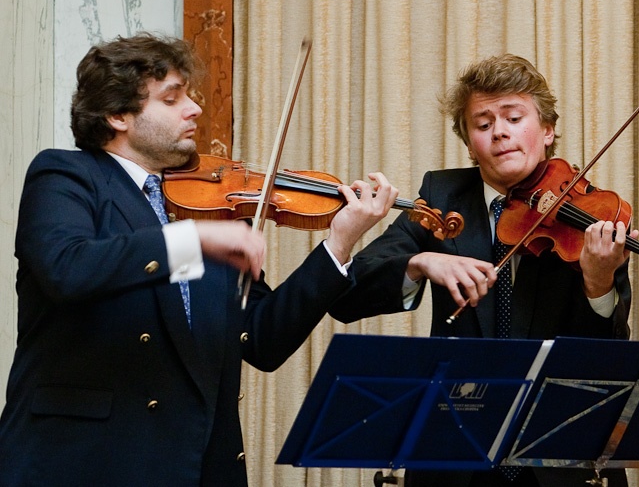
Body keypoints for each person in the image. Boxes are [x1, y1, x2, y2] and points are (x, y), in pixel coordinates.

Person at [0, 33, 397, 486]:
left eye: (190, 96)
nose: (194, 110)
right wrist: (190, 240)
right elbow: (67, 268)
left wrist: (339, 243)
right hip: (86, 464)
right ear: (117, 115)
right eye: (172, 99)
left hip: (197, 466)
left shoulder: (209, 206)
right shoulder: (67, 176)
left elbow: (262, 340)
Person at [329, 54, 636, 487]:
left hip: (561, 461)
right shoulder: (442, 197)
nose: (500, 132)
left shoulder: (587, 213)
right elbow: (348, 294)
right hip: (457, 458)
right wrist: (420, 262)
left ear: (548, 130)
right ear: (470, 144)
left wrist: (598, 280)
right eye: (483, 123)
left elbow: (609, 356)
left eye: (514, 117)